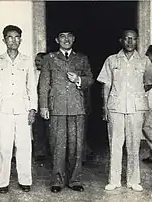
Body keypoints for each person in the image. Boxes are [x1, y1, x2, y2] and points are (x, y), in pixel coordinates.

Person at [97, 28, 151, 192]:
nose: (130, 42)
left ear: (137, 41)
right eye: (127, 38)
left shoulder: (144, 61)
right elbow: (106, 85)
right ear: (121, 40)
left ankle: (134, 181)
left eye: (133, 39)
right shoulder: (112, 60)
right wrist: (105, 107)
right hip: (116, 108)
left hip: (136, 109)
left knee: (134, 146)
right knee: (115, 144)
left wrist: (136, 93)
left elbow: (149, 82)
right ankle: (114, 180)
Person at [39, 29, 93, 193]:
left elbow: (90, 79)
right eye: (62, 36)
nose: (66, 39)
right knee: (58, 145)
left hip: (77, 108)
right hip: (57, 108)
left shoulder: (82, 58)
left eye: (69, 36)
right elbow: (43, 84)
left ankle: (75, 180)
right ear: (57, 40)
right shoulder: (49, 58)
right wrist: (43, 106)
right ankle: (57, 180)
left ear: (74, 38)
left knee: (76, 146)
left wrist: (78, 80)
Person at [0, 25, 37, 194]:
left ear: (20, 40)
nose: (13, 40)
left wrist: (33, 109)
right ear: (4, 40)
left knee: (24, 146)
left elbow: (32, 87)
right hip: (3, 110)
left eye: (17, 37)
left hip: (23, 110)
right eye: (10, 37)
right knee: (4, 147)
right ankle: (2, 182)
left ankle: (25, 180)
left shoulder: (27, 60)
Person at [32, 52, 51, 161]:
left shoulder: (50, 74)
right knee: (37, 130)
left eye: (39, 60)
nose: (37, 63)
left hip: (47, 106)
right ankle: (39, 153)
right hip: (36, 106)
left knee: (49, 130)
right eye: (36, 61)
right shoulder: (33, 73)